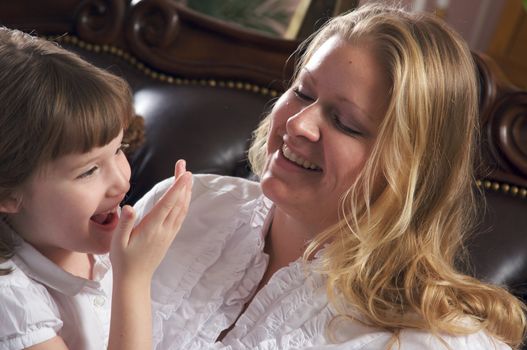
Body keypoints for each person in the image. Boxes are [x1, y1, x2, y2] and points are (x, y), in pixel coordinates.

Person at [134, 3, 527, 350]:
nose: (299, 124)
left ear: (408, 171)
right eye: (303, 92)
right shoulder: (185, 206)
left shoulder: (435, 342)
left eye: (346, 123)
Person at [0, 28, 192, 349]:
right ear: (7, 193)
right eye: (89, 170)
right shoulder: (11, 300)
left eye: (119, 149)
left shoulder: (87, 242)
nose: (122, 182)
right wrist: (134, 278)